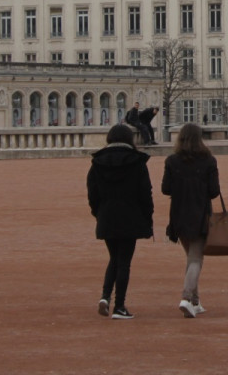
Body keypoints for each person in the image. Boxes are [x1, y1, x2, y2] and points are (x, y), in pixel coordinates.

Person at [87, 123, 154, 320]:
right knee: (124, 261)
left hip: (107, 215)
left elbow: (93, 194)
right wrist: (147, 217)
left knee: (114, 258)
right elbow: (145, 194)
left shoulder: (97, 162)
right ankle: (120, 306)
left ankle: (105, 296)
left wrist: (98, 213)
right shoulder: (137, 162)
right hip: (131, 216)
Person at [161, 123, 221, 318]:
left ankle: (195, 301)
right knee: (196, 258)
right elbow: (214, 191)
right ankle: (186, 297)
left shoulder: (172, 160)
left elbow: (166, 189)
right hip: (200, 213)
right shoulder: (208, 160)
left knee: (192, 257)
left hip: (178, 213)